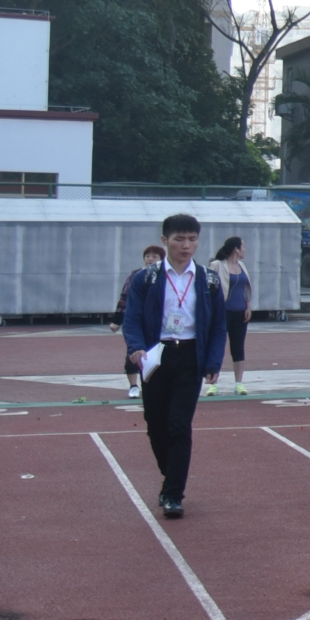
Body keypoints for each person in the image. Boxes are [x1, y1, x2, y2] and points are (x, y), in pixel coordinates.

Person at [120, 214, 227, 519]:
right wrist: (136, 347)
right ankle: (171, 474)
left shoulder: (208, 280)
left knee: (180, 425)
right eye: (180, 239)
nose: (186, 245)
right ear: (165, 240)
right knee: (156, 425)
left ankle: (173, 493)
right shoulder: (146, 278)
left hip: (190, 356)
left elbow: (218, 327)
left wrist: (213, 362)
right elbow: (132, 318)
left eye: (192, 239)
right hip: (155, 356)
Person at [207, 237, 254, 397]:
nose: (244, 250)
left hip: (240, 312)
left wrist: (248, 306)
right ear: (236, 249)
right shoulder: (217, 265)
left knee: (238, 347)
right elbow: (210, 288)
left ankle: (239, 383)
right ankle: (213, 384)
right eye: (243, 247)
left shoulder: (242, 266)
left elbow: (246, 288)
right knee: (217, 346)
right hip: (222, 312)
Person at [120, 244, 162, 398]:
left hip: (156, 323)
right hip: (137, 320)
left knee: (155, 355)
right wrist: (116, 320)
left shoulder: (165, 275)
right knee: (133, 352)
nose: (150, 259)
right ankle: (133, 385)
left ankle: (153, 384)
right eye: (147, 256)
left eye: (154, 257)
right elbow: (124, 296)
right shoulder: (136, 275)